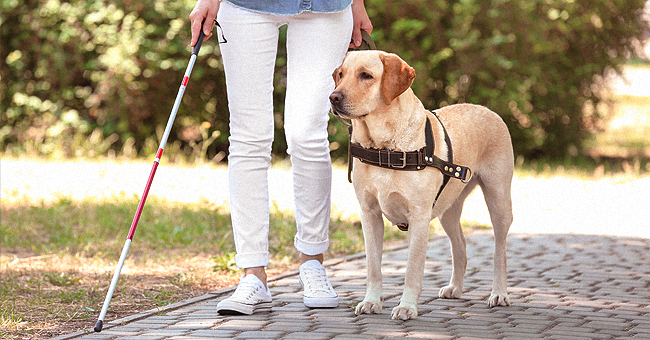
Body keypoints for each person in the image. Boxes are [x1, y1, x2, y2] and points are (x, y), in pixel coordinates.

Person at [189, 0, 373, 314]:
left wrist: (357, 3)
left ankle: (313, 264)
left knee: (307, 132)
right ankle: (252, 275)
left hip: (326, 6)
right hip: (245, 6)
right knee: (249, 135)